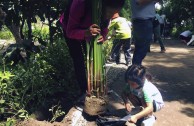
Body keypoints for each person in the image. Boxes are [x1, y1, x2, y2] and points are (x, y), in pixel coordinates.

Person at [59, 0, 126, 98]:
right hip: (72, 28)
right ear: (101, 5)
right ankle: (84, 91)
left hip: (90, 29)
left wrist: (102, 36)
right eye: (109, 13)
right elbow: (70, 31)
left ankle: (98, 87)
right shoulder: (80, 3)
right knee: (78, 60)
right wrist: (85, 33)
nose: (110, 16)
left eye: (114, 13)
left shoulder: (107, 11)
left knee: (93, 56)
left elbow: (104, 27)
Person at [130, 0, 162, 65]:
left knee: (140, 48)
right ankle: (135, 71)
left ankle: (135, 69)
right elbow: (139, 1)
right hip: (143, 21)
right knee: (141, 49)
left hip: (142, 21)